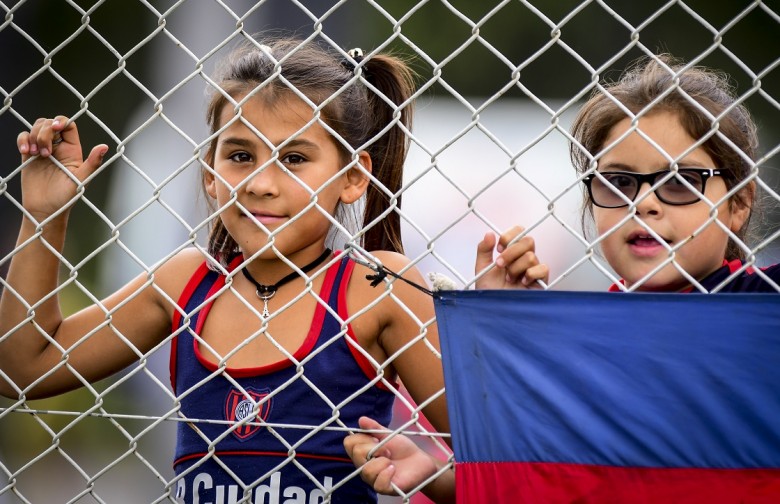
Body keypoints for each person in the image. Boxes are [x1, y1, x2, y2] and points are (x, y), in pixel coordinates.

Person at [0, 38, 547, 503]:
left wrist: (493, 331)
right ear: (211, 173)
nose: (261, 182)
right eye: (239, 155)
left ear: (353, 177)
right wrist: (45, 218)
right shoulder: (187, 282)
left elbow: (504, 467)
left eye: (293, 158)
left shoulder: (378, 287)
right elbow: (23, 368)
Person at [344, 54, 780, 502]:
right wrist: (502, 335)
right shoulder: (576, 342)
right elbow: (546, 481)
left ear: (739, 203)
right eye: (618, 182)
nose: (644, 203)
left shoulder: (763, 314)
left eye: (680, 181)